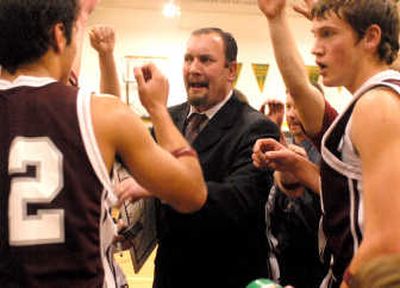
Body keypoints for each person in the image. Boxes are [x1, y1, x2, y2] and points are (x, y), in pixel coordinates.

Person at [0, 1, 207, 287]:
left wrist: (82, 17)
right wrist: (158, 109)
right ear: (60, 35)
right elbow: (191, 192)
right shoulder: (101, 114)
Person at [255, 0, 400, 287]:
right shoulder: (378, 97)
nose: (315, 48)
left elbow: (388, 243)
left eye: (328, 34)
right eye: (315, 34)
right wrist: (298, 165)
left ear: (371, 37)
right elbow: (353, 195)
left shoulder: (376, 105)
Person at [152, 27, 280, 288]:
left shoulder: (257, 128)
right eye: (188, 59)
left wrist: (167, 186)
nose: (193, 68)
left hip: (225, 277)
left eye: (205, 60)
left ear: (231, 70)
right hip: (169, 275)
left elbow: (237, 202)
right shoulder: (166, 120)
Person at [264, 93, 327, 288]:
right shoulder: (288, 144)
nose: (291, 115)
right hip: (283, 259)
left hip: (316, 264)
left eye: (298, 107)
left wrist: (293, 175)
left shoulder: (327, 151)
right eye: (289, 107)